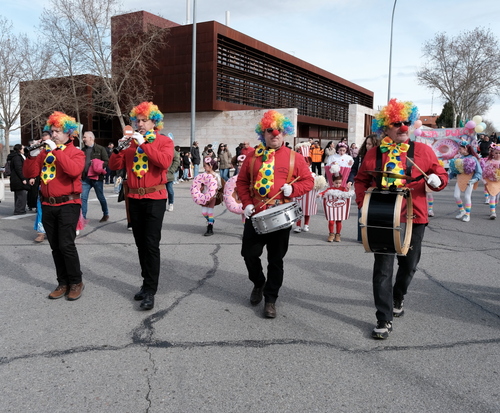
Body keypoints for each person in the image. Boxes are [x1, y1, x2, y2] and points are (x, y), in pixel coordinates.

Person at [355, 99, 448, 339]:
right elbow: (361, 180)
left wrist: (438, 181)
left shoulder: (424, 151)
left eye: (406, 122)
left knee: (409, 265)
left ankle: (398, 295)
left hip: (414, 217)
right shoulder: (374, 153)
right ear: (385, 127)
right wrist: (364, 205)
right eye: (396, 123)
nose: (403, 127)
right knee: (383, 269)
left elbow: (440, 175)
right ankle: (383, 318)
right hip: (382, 217)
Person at [236, 110, 314, 319]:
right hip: (256, 213)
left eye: (279, 130)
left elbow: (308, 181)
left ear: (284, 132)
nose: (275, 134)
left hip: (280, 216)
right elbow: (242, 182)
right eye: (270, 130)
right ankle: (258, 283)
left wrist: (293, 189)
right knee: (249, 254)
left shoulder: (294, 157)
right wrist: (246, 203)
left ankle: (270, 299)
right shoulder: (252, 156)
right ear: (263, 133)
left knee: (276, 259)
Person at [109, 101, 174, 310]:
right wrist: (118, 149)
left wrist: (144, 144)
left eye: (144, 120)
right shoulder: (131, 144)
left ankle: (151, 290)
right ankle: (145, 284)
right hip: (135, 198)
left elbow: (164, 162)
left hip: (155, 198)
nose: (140, 124)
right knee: (140, 244)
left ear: (154, 122)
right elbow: (114, 166)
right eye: (137, 120)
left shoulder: (164, 141)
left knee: (151, 244)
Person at [23, 111, 86, 301]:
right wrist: (32, 155)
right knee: (55, 246)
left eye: (57, 131)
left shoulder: (76, 152)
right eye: (52, 131)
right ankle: (63, 282)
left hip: (68, 204)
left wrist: (57, 151)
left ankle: (76, 282)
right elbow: (30, 173)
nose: (53, 134)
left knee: (66, 245)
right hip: (47, 204)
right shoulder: (45, 152)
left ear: (69, 133)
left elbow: (73, 171)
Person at [347, 134, 379, 242]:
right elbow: (354, 170)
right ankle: (362, 237)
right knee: (362, 210)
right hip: (363, 187)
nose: (367, 146)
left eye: (370, 144)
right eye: (366, 144)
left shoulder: (379, 157)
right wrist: (350, 180)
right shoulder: (361, 157)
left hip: (375, 188)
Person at [448, 140, 482, 222]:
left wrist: (474, 179)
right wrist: (448, 177)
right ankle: (462, 210)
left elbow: (479, 171)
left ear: (466, 148)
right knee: (456, 196)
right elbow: (454, 171)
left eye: (460, 148)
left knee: (467, 197)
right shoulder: (459, 158)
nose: (459, 150)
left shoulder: (473, 158)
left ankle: (467, 214)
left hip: (469, 180)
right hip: (459, 180)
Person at [81, 131, 109, 223]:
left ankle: (105, 214)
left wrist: (97, 165)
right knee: (83, 198)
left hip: (97, 178)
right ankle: (83, 217)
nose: (83, 139)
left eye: (85, 137)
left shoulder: (100, 149)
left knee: (100, 197)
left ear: (90, 138)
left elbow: (106, 161)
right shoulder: (83, 150)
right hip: (85, 178)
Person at [318, 173, 354, 242]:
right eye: (336, 183)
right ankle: (331, 234)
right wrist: (320, 194)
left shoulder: (343, 189)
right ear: (332, 182)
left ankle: (338, 234)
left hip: (339, 208)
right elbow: (324, 192)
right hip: (331, 208)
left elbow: (348, 194)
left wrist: (348, 189)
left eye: (340, 183)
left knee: (338, 221)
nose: (338, 184)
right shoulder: (330, 189)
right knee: (331, 221)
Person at [192, 157, 222, 236]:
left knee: (210, 211)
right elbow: (198, 184)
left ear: (211, 166)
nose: (204, 167)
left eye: (205, 166)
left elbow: (220, 185)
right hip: (203, 196)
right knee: (204, 212)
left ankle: (210, 227)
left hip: (213, 196)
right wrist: (200, 187)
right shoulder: (203, 175)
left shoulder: (216, 175)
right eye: (204, 166)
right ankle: (210, 220)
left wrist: (215, 184)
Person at [8, 144, 29, 215]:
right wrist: (23, 178)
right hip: (18, 179)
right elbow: (19, 168)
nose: (24, 150)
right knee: (21, 195)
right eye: (23, 148)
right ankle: (19, 210)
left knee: (19, 195)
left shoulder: (16, 156)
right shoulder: (17, 157)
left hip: (16, 179)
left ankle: (18, 209)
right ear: (19, 150)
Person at [481, 144, 500, 219]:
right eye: (496, 153)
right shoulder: (489, 162)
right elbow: (484, 172)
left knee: (497, 198)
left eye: (499, 153)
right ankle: (493, 212)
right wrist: (484, 180)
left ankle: (493, 208)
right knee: (492, 196)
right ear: (492, 153)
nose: (498, 154)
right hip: (491, 181)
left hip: (499, 182)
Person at [166, 140, 180, 212]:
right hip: (158, 175)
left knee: (170, 191)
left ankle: (171, 203)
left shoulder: (171, 149)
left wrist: (172, 170)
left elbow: (177, 160)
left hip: (168, 174)